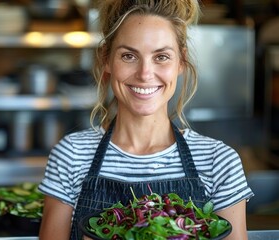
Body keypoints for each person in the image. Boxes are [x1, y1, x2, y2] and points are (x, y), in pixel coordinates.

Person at [38, 0, 254, 239]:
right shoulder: (71, 155)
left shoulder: (219, 162)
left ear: (180, 62)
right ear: (106, 59)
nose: (144, 74)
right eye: (129, 55)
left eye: (161, 57)